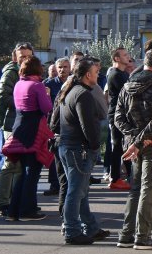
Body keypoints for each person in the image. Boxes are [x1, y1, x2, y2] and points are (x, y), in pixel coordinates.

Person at [115, 47, 152, 250]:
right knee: (149, 190)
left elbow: (118, 117)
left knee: (136, 189)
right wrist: (140, 140)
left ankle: (126, 235)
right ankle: (142, 237)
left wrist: (134, 139)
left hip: (137, 146)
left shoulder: (128, 83)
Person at [56, 58, 110, 245]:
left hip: (69, 146)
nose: (98, 74)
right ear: (88, 74)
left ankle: (91, 227)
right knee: (75, 191)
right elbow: (87, 125)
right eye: (96, 71)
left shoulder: (70, 89)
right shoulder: (82, 94)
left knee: (81, 191)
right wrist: (95, 146)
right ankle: (72, 230)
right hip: (78, 149)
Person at [1, 56, 53, 221]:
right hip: (34, 129)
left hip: (19, 128)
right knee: (32, 172)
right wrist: (47, 95)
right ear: (38, 69)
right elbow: (47, 108)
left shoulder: (18, 84)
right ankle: (27, 211)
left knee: (23, 173)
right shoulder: (38, 86)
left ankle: (13, 211)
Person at [0, 42, 35, 218]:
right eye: (22, 57)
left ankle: (15, 201)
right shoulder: (10, 73)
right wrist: (25, 102)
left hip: (23, 123)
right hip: (11, 124)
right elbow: (3, 97)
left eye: (28, 56)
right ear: (15, 58)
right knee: (10, 164)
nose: (25, 59)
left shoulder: (30, 73)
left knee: (19, 166)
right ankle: (3, 204)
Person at [105, 47, 133, 190]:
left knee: (123, 145)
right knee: (117, 146)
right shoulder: (116, 74)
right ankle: (115, 178)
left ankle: (129, 174)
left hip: (122, 113)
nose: (128, 56)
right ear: (116, 58)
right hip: (117, 114)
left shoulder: (123, 73)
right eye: (124, 55)